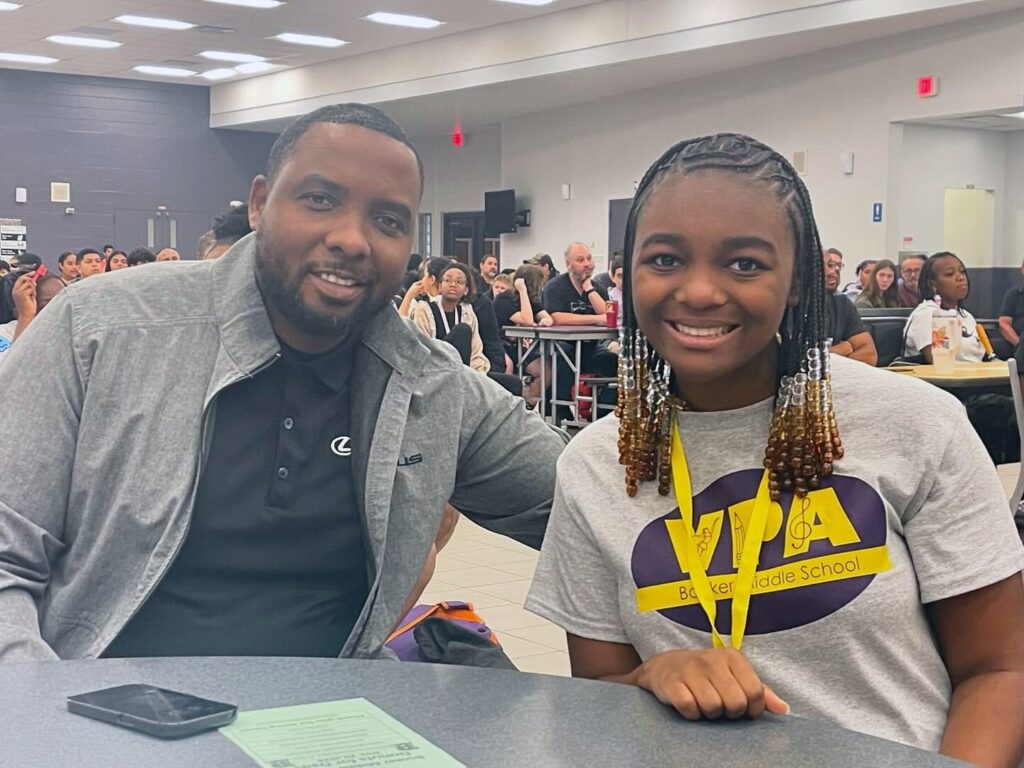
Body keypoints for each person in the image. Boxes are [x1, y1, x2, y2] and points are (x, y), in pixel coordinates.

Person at [0, 102, 563, 663]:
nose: (352, 238)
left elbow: (594, 508)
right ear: (260, 204)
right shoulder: (99, 329)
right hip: (103, 720)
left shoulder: (431, 385)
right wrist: (44, 716)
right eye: (321, 200)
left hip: (330, 730)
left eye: (388, 220)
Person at [525, 133, 1024, 765]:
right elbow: (598, 690)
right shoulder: (597, 464)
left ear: (796, 281)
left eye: (744, 265)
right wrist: (654, 675)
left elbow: (1001, 671)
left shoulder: (915, 424)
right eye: (666, 260)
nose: (700, 291)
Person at [904, 252, 1017, 463]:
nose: (960, 277)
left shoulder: (967, 316)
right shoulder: (927, 314)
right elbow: (937, 360)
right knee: (1013, 413)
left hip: (980, 388)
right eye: (950, 274)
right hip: (951, 395)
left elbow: (985, 358)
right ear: (933, 284)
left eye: (962, 272)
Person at [542, 242, 619, 422]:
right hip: (562, 345)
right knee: (565, 360)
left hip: (591, 347)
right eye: (580, 260)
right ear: (569, 264)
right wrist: (594, 319)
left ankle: (603, 412)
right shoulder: (555, 286)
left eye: (589, 259)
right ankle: (558, 412)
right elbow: (556, 317)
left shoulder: (597, 287)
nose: (587, 263)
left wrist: (589, 289)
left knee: (611, 362)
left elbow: (607, 316)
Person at [410, 261, 490, 373]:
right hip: (435, 369)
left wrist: (480, 376)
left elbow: (476, 353)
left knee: (512, 383)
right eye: (447, 280)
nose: (453, 284)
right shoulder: (424, 309)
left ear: (466, 290)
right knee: (462, 330)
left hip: (466, 373)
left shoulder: (467, 312)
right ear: (440, 286)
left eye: (459, 281)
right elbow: (423, 347)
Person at [493, 264, 553, 402]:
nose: (540, 289)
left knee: (546, 369)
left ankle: (528, 404)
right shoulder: (504, 299)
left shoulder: (531, 301)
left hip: (521, 348)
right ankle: (503, 405)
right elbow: (527, 320)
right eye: (539, 285)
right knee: (506, 366)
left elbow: (547, 317)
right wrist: (523, 292)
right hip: (502, 345)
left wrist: (545, 320)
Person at [821, 250, 877, 365]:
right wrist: (844, 348)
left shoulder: (842, 303)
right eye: (822, 266)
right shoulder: (786, 306)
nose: (833, 270)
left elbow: (869, 355)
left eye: (833, 265)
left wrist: (828, 357)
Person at [0, 273, 66, 361]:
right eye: (47, 306)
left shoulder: (76, 332)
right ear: (18, 313)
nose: (60, 309)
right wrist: (25, 317)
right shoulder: (5, 334)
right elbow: (12, 371)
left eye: (64, 301)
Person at [996, 259, 1024, 360]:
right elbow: (1003, 323)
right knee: (985, 347)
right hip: (1015, 342)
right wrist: (1019, 343)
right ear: (1022, 269)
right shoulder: (1013, 295)